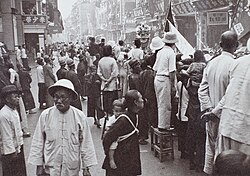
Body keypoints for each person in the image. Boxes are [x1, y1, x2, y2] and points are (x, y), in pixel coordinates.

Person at [28, 79, 97, 176]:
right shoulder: (46, 115)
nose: (59, 101)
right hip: (51, 168)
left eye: (63, 97)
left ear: (70, 98)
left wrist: (86, 168)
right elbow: (38, 141)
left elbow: (86, 143)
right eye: (56, 97)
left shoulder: (79, 116)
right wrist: (39, 166)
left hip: (71, 168)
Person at [198, 31, 239, 175]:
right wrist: (215, 112)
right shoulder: (235, 65)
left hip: (211, 115)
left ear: (220, 45)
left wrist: (209, 110)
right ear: (237, 45)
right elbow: (231, 94)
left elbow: (202, 90)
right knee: (225, 154)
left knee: (210, 149)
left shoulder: (211, 63)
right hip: (226, 115)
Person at [102, 90, 144, 176]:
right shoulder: (123, 120)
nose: (143, 100)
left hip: (129, 160)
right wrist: (111, 157)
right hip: (120, 162)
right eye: (141, 98)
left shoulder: (135, 115)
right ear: (136, 102)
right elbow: (107, 138)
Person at [181, 50, 207, 172]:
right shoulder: (204, 85)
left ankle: (191, 161)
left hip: (191, 112)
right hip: (201, 113)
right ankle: (199, 163)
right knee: (201, 139)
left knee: (191, 136)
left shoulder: (189, 83)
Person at [0, 85, 27, 176]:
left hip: (18, 147)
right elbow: (6, 135)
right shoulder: (4, 115)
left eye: (18, 96)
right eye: (15, 97)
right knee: (11, 172)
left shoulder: (14, 111)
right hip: (10, 152)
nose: (18, 99)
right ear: (7, 99)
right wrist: (12, 152)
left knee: (21, 171)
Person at [153, 32, 177, 131]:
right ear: (173, 43)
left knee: (160, 103)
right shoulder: (171, 53)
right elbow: (172, 71)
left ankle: (162, 124)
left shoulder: (160, 52)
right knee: (166, 105)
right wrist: (172, 86)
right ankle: (164, 126)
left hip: (158, 78)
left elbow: (155, 69)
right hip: (164, 79)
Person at [97, 45, 119, 117]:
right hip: (112, 85)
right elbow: (115, 73)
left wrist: (104, 80)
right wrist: (109, 81)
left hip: (104, 85)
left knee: (105, 102)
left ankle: (106, 115)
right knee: (112, 102)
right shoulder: (112, 61)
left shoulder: (101, 61)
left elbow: (99, 73)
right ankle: (111, 116)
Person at [105, 99, 126, 170]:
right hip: (114, 136)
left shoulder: (123, 118)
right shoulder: (112, 119)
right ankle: (111, 159)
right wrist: (110, 130)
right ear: (113, 110)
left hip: (120, 136)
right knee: (113, 146)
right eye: (116, 111)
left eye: (120, 111)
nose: (118, 113)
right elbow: (107, 127)